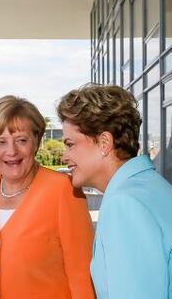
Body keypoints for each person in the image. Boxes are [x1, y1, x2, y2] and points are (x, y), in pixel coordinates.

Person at [0, 95, 95, 299]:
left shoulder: (64, 190)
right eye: (0, 142)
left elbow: (82, 277)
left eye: (21, 140)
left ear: (36, 142)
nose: (11, 151)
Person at [57, 84, 172, 299]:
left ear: (104, 143)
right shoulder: (152, 187)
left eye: (70, 144)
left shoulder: (124, 203)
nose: (64, 157)